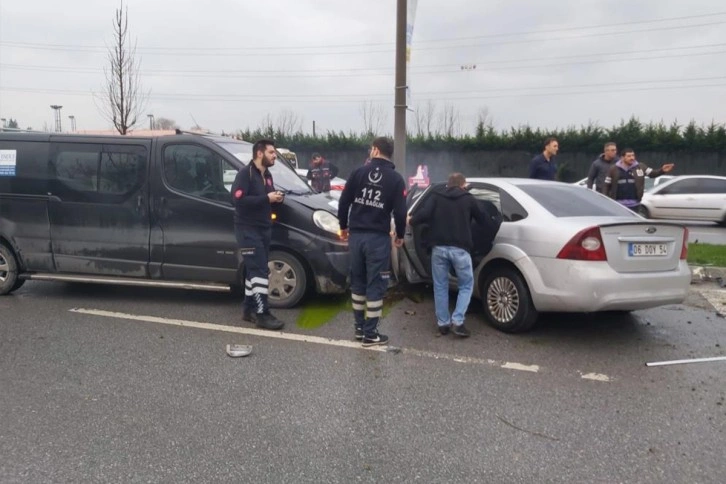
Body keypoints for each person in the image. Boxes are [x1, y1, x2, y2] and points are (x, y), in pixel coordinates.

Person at [409, 173, 499, 338]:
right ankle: (458, 321)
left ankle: (443, 324)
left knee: (440, 286)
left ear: (448, 185)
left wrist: (410, 220)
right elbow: (485, 221)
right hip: (460, 249)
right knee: (466, 285)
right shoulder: (468, 199)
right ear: (463, 185)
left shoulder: (436, 196)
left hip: (438, 249)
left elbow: (422, 215)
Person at [337, 137, 407, 347]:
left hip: (357, 236)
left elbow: (344, 202)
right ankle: (371, 334)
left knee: (357, 282)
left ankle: (359, 329)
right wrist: (400, 234)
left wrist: (343, 226)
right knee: (376, 284)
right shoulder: (396, 179)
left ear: (375, 150)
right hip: (377, 238)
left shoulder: (358, 173)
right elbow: (401, 212)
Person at [231, 139, 286, 330]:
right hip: (247, 229)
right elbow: (238, 201)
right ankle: (263, 314)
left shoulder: (267, 175)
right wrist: (266, 198)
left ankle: (248, 309)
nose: (275, 156)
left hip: (264, 228)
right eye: (271, 152)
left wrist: (276, 198)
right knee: (260, 271)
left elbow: (266, 198)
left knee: (255, 270)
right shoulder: (244, 174)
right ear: (260, 153)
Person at [603, 148, 675, 211]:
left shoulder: (641, 166)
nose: (632, 158)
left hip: (635, 205)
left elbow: (652, 173)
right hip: (618, 205)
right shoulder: (613, 169)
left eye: (633, 155)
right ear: (622, 158)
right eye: (629, 156)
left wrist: (662, 170)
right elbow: (606, 185)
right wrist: (605, 201)